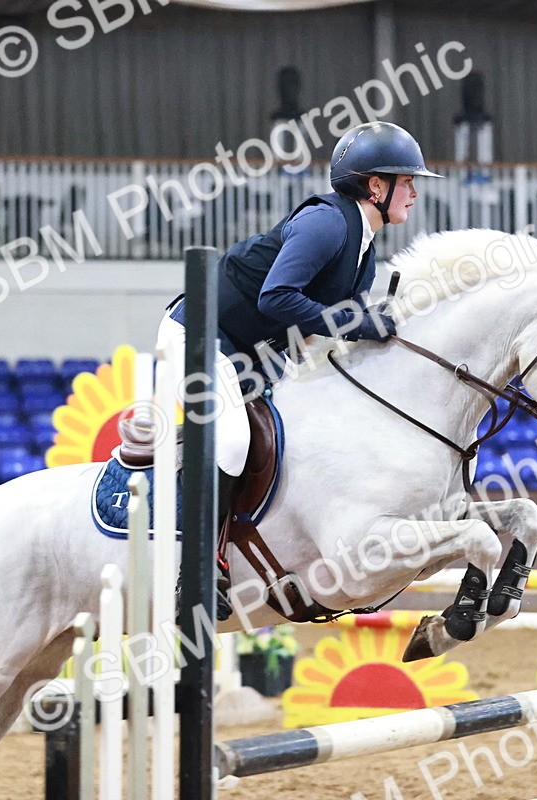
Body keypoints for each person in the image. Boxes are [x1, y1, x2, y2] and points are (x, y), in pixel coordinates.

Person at [156, 121, 442, 617]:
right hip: (199, 335)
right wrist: (357, 322)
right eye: (407, 180)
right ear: (376, 186)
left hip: (255, 352)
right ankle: (197, 571)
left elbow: (319, 337)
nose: (415, 190)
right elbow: (277, 296)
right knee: (231, 440)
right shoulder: (327, 223)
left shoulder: (364, 254)